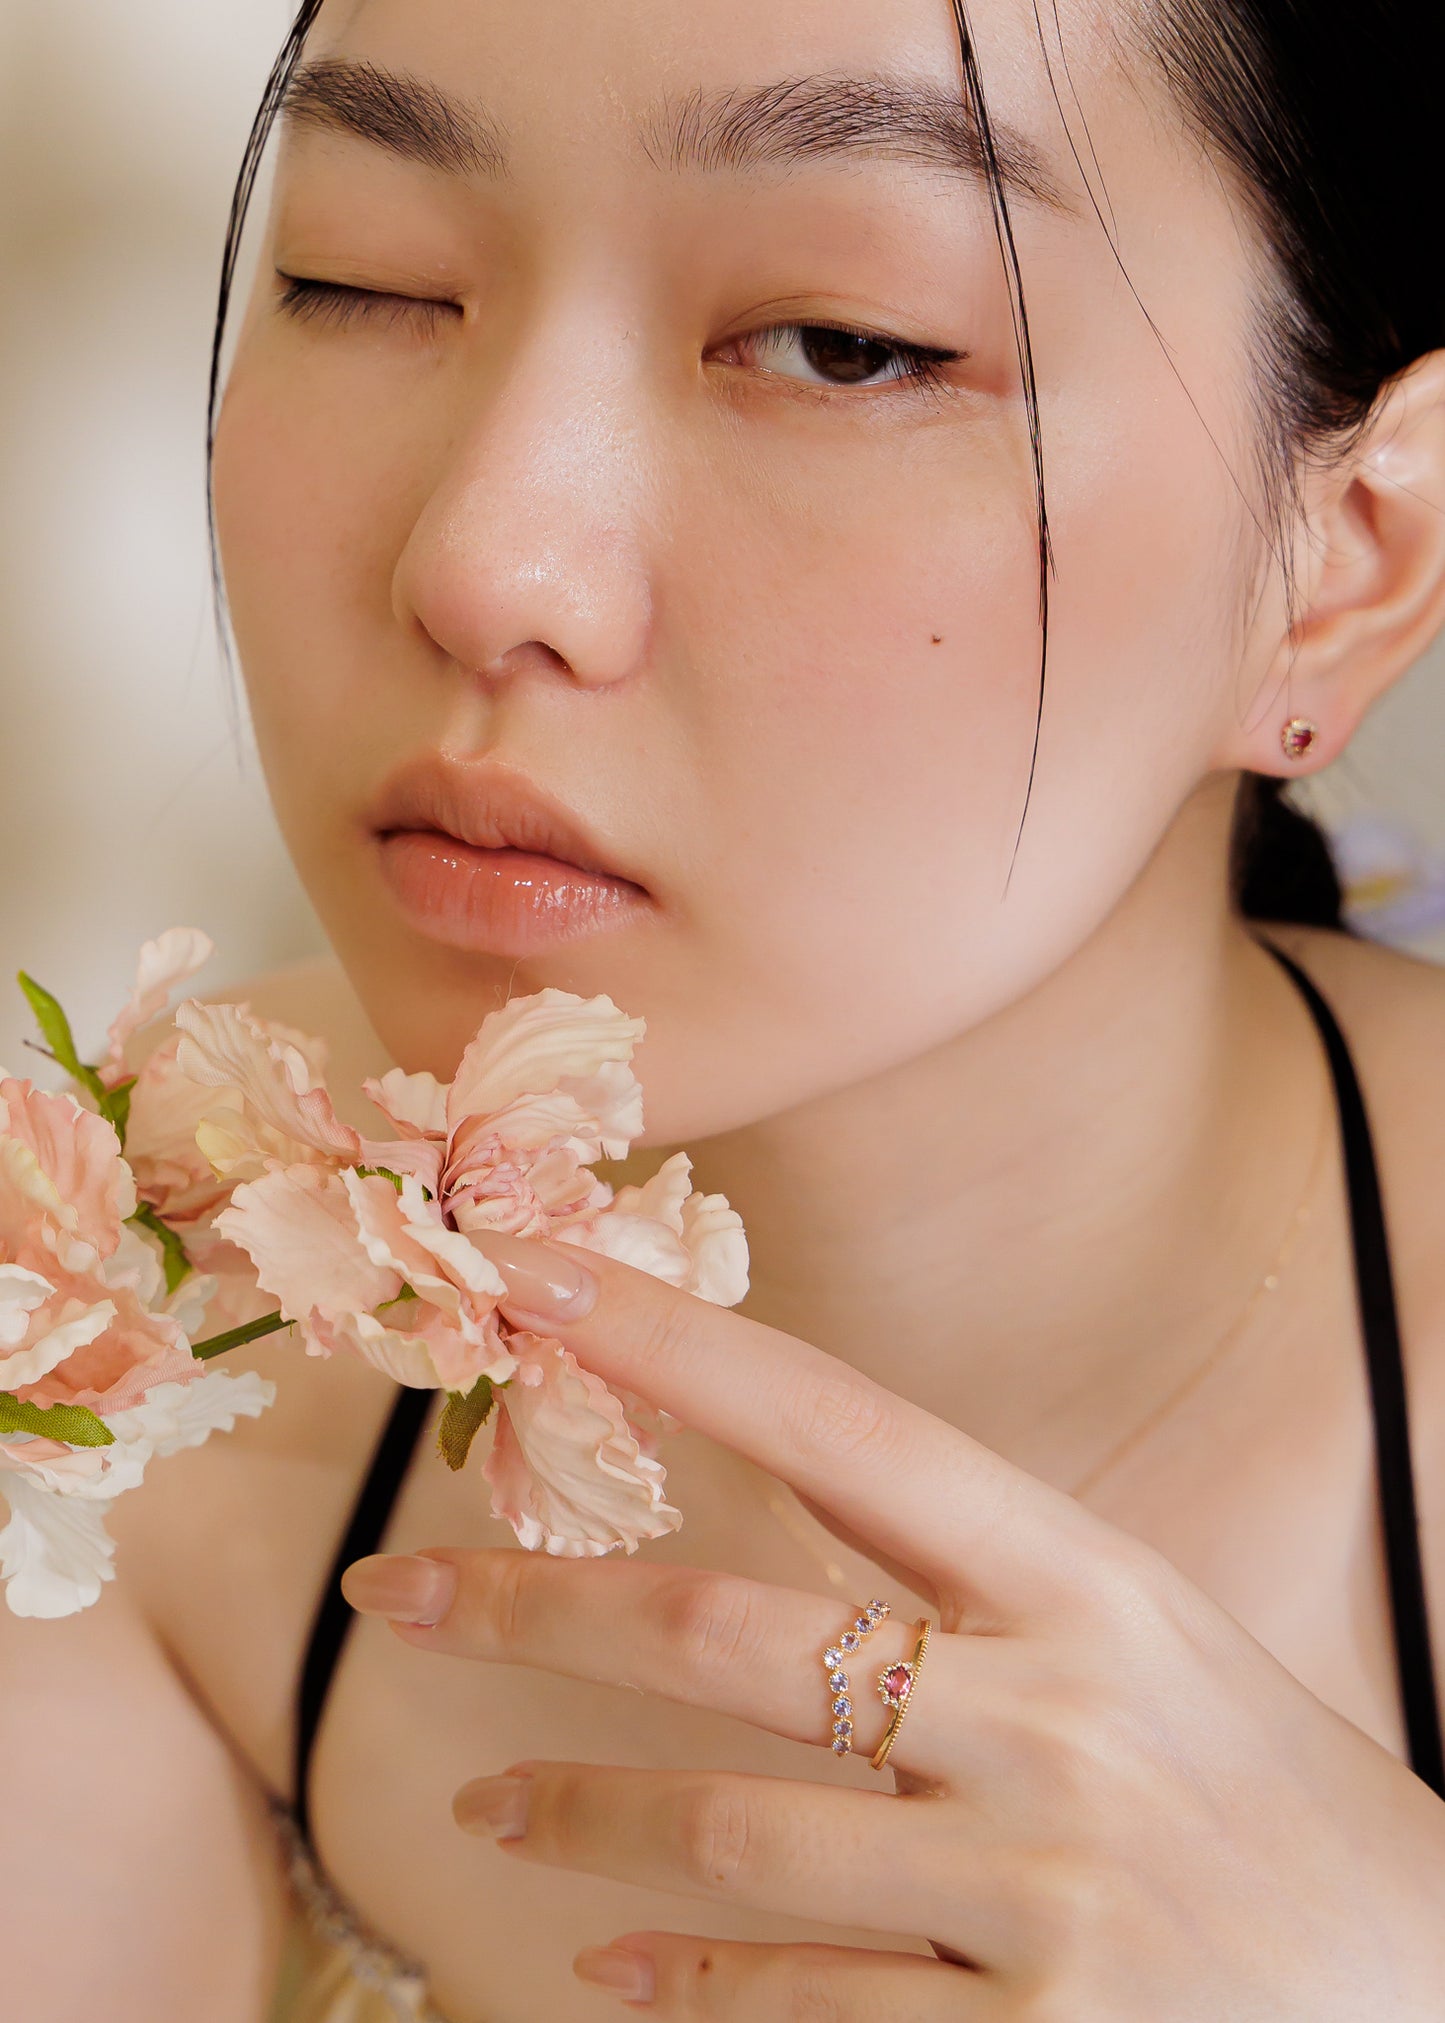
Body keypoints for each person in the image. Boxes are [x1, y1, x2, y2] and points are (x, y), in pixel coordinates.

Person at [5, 0, 1445, 2015]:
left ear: (1350, 557)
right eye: (364, 277)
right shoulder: (105, 1352)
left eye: (848, 341)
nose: (490, 562)